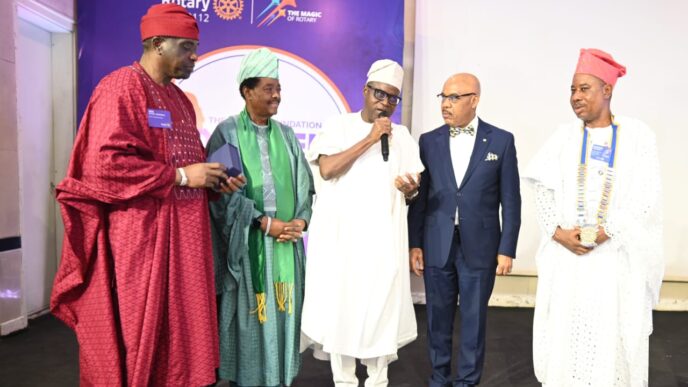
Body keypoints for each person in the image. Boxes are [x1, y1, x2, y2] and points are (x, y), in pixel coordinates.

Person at [50, 4, 245, 386]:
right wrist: (181, 176)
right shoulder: (122, 86)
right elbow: (103, 164)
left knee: (183, 340)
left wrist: (212, 181)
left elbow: (189, 166)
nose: (194, 56)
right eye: (186, 47)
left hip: (186, 240)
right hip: (142, 240)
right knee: (142, 332)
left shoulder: (179, 100)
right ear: (157, 43)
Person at [524, 48, 664, 386]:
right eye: (572, 90)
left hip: (614, 261)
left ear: (607, 90)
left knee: (611, 342)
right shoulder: (564, 136)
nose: (575, 97)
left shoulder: (637, 136)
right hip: (569, 261)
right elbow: (539, 185)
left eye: (584, 88)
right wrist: (558, 232)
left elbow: (646, 196)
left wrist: (606, 231)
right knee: (567, 340)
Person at [300, 59, 423, 387]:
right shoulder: (338, 126)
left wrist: (411, 191)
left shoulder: (403, 137)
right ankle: (344, 381)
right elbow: (327, 170)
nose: (385, 103)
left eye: (393, 98)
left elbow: (413, 188)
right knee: (343, 308)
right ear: (366, 91)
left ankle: (378, 380)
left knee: (380, 310)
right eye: (380, 94)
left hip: (383, 244)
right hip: (342, 243)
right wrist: (370, 138)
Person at [206, 47, 314, 387]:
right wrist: (264, 223)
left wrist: (300, 222)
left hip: (286, 247)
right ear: (246, 91)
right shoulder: (228, 134)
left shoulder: (285, 135)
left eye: (278, 88)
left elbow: (304, 185)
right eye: (269, 88)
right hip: (248, 246)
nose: (277, 95)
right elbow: (222, 195)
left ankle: (279, 380)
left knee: (284, 318)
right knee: (251, 319)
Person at [407, 73, 521, 387]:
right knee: (437, 321)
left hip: (481, 247)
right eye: (443, 97)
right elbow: (421, 198)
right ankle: (439, 379)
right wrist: (414, 243)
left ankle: (467, 382)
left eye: (454, 97)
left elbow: (511, 200)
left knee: (474, 321)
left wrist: (506, 248)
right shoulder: (429, 141)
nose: (446, 104)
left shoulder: (501, 140)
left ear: (474, 99)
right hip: (437, 243)